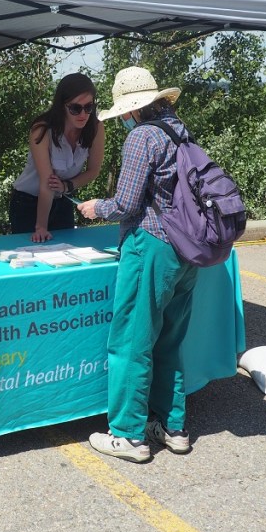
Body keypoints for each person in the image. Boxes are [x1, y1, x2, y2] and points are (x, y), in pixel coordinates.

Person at [75, 66, 198, 463]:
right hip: (187, 248)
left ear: (131, 109)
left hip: (151, 246)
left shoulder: (142, 137)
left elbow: (126, 204)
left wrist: (96, 208)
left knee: (131, 340)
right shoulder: (180, 130)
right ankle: (172, 426)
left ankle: (128, 433)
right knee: (170, 340)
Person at [9, 72, 105, 242]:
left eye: (88, 107)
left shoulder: (96, 128)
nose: (83, 114)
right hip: (27, 203)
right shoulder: (42, 129)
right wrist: (41, 227)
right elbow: (47, 183)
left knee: (67, 251)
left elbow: (93, 171)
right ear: (62, 106)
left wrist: (67, 185)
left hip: (62, 200)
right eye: (76, 108)